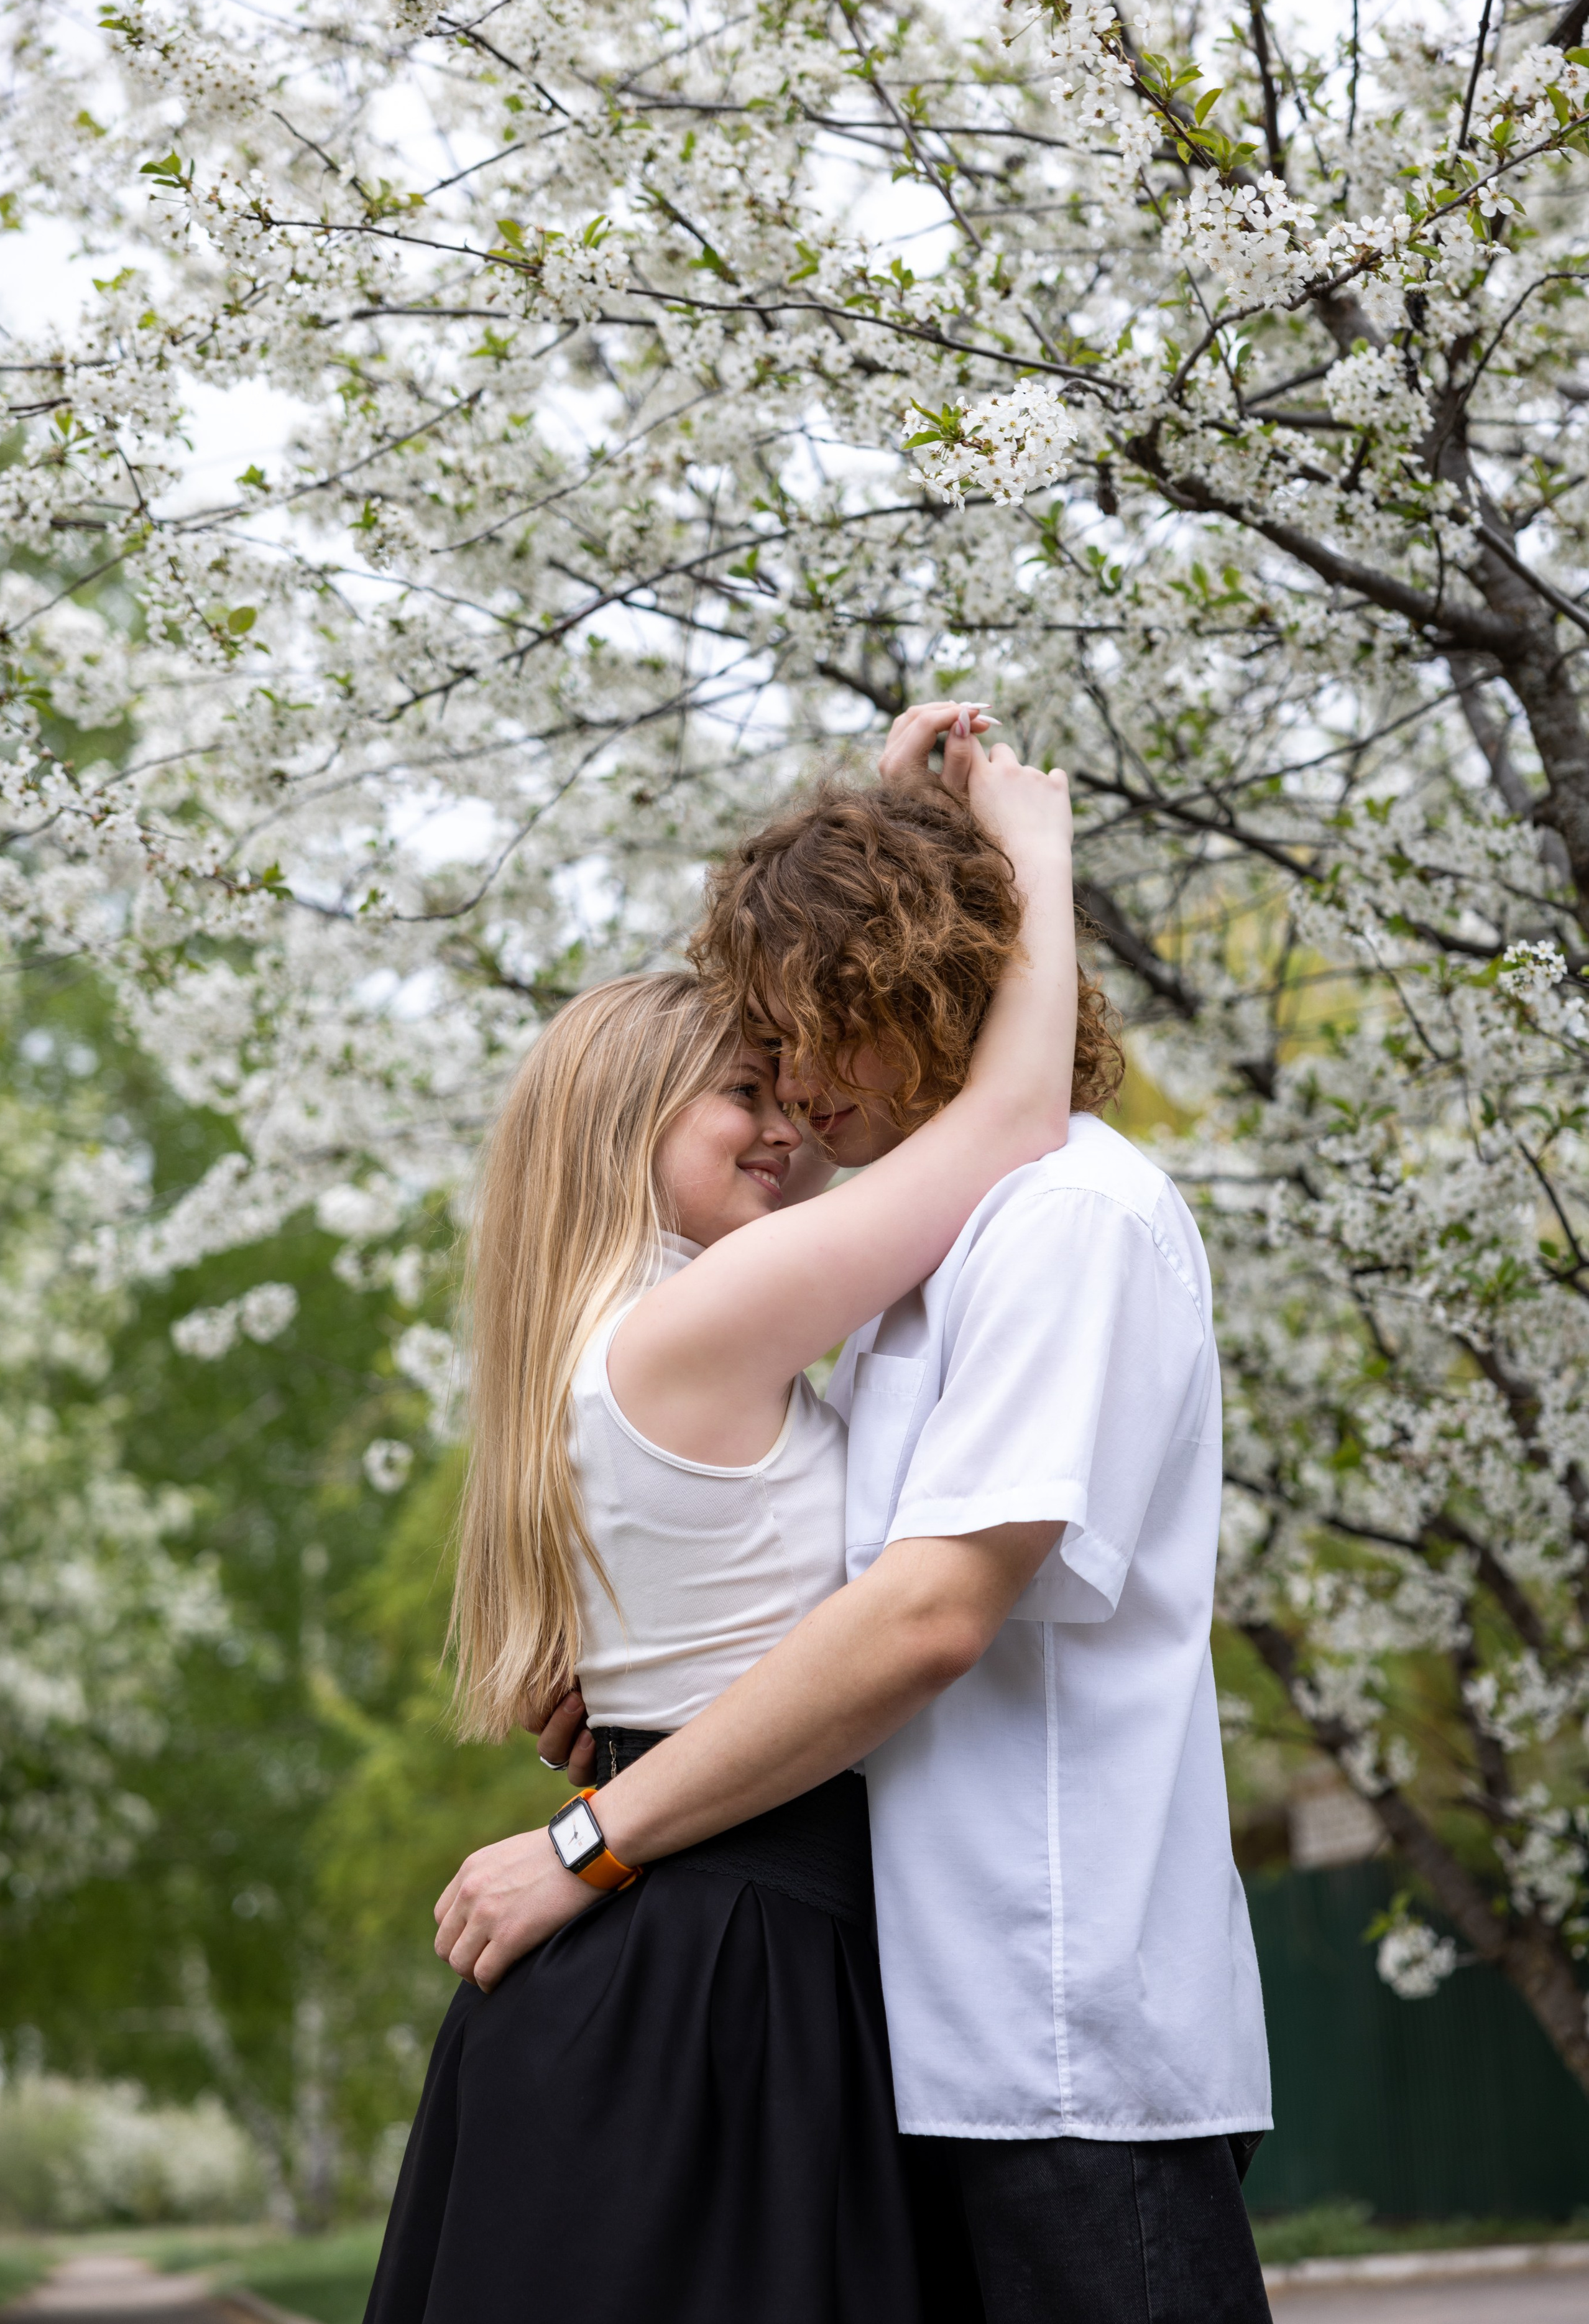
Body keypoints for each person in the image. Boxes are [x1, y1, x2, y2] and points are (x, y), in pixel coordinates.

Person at [438, 709, 1274, 2324]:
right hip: (915, 2025)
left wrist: (603, 1821)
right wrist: (655, 1708)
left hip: (1061, 2032)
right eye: (762, 1062)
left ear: (904, 991)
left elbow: (926, 1611)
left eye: (814, 1037)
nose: (799, 1098)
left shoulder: (1062, 1222)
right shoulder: (910, 1271)